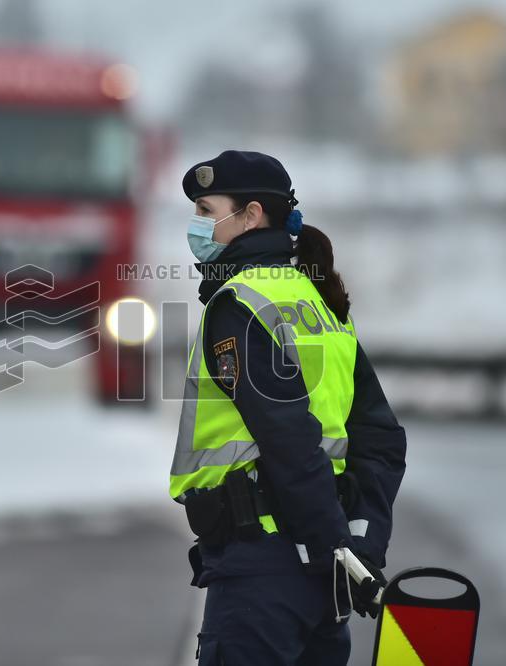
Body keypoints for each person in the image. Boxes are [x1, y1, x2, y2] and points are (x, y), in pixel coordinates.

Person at [169, 150, 407, 665]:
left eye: (207, 211)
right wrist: (357, 546)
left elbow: (289, 441)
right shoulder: (319, 303)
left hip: (262, 574)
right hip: (321, 579)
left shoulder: (239, 306)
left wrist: (334, 548)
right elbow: (381, 439)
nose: (198, 226)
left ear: (251, 215)